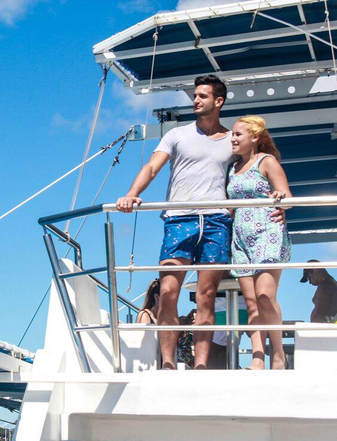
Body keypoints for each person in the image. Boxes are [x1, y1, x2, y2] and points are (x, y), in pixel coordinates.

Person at [117, 74, 283, 369]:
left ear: (218, 101)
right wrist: (132, 193)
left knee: (206, 297)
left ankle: (201, 364)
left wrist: (278, 202)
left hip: (217, 222)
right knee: (168, 292)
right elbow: (153, 166)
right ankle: (167, 363)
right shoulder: (177, 135)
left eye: (202, 96)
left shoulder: (232, 143)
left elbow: (253, 169)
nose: (195, 100)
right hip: (179, 219)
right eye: (194, 95)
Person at [227, 115, 292, 370]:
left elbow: (286, 195)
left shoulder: (267, 161)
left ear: (254, 138)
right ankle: (257, 357)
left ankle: (278, 353)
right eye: (232, 134)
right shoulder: (232, 168)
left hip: (268, 232)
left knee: (265, 296)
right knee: (251, 302)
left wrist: (280, 198)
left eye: (238, 134)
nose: (232, 138)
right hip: (241, 238)